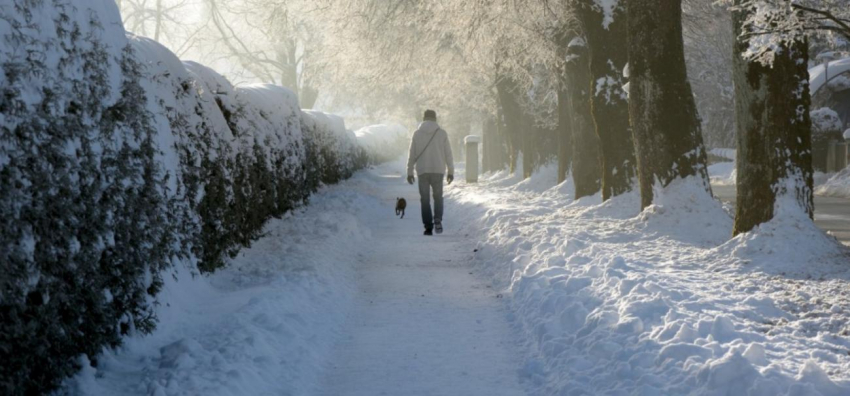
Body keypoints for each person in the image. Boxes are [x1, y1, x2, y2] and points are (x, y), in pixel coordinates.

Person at [407, 109, 454, 236]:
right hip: (438, 170)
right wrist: (451, 171)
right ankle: (437, 219)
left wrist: (409, 172)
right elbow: (448, 154)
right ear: (435, 119)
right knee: (438, 197)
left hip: (422, 171)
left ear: (424, 118)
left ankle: (428, 227)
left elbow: (411, 154)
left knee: (425, 199)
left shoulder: (416, 134)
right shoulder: (442, 133)